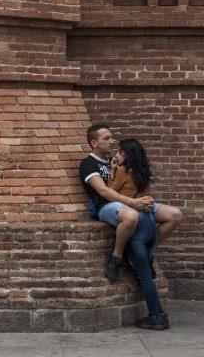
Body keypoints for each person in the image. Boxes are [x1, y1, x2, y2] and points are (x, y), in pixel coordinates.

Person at [79, 124, 182, 282]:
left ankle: (146, 251)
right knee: (131, 216)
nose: (111, 141)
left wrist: (146, 199)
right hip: (105, 206)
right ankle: (117, 257)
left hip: (128, 202)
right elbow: (104, 191)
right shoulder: (88, 164)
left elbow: (133, 182)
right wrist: (132, 202)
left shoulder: (116, 161)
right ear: (94, 143)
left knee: (175, 215)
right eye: (106, 138)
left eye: (111, 137)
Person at [108, 139, 169, 330]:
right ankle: (159, 314)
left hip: (139, 230)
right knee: (145, 273)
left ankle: (156, 316)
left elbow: (109, 192)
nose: (118, 155)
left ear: (128, 155)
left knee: (144, 276)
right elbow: (146, 199)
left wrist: (112, 171)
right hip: (151, 226)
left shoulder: (123, 172)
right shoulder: (143, 174)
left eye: (121, 152)